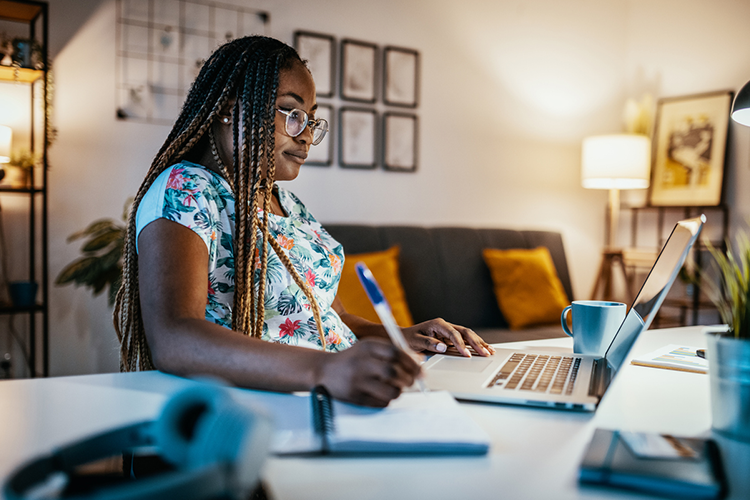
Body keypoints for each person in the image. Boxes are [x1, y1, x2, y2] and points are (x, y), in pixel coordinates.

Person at [114, 36, 494, 408]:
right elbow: (175, 337)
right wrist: (324, 369)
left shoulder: (289, 205)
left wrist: (405, 336)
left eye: (311, 120)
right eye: (292, 114)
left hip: (331, 396)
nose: (308, 135)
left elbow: (333, 316)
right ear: (230, 108)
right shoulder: (186, 188)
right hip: (264, 406)